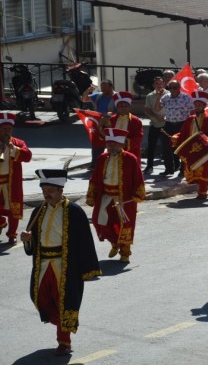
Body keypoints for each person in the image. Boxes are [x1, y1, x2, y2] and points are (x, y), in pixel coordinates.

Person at [21, 169, 100, 356]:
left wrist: (87, 270)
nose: (46, 194)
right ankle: (61, 322)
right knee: (40, 298)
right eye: (44, 191)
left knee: (64, 302)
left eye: (50, 190)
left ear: (60, 190)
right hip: (43, 265)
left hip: (65, 266)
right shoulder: (38, 211)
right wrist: (28, 239)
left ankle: (64, 341)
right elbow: (32, 243)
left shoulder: (74, 211)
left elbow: (85, 242)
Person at [86, 128, 145, 264]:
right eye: (109, 144)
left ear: (121, 144)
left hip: (123, 199)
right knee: (99, 221)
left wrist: (138, 194)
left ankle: (125, 252)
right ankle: (114, 242)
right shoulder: (102, 158)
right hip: (105, 196)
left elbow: (138, 177)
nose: (111, 146)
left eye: (114, 144)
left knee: (124, 225)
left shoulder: (130, 159)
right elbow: (95, 178)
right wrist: (91, 195)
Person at [176, 91, 208, 199]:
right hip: (191, 148)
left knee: (204, 169)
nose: (197, 107)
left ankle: (203, 191)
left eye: (199, 105)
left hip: (203, 149)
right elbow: (183, 133)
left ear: (204, 106)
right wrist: (176, 137)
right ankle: (199, 188)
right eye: (196, 105)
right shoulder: (190, 119)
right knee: (192, 167)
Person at [0, 112, 32, 243]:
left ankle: (12, 234)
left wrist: (14, 150)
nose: (7, 132)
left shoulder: (18, 142)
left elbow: (28, 156)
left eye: (9, 129)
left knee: (13, 209)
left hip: (11, 183)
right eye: (3, 129)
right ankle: (1, 223)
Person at [158, 80, 194, 176]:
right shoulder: (165, 97)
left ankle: (183, 169)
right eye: (170, 88)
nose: (173, 90)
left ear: (179, 88)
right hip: (169, 124)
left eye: (175, 87)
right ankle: (169, 169)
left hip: (182, 124)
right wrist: (158, 96)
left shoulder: (186, 98)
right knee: (166, 147)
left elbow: (193, 111)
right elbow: (158, 108)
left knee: (183, 147)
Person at [144, 77, 171, 175]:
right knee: (151, 146)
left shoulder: (169, 94)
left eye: (161, 83)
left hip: (167, 124)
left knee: (167, 147)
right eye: (156, 83)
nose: (159, 85)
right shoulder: (149, 96)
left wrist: (166, 117)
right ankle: (149, 166)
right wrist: (156, 116)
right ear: (153, 85)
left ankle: (169, 168)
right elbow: (147, 110)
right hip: (155, 124)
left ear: (164, 84)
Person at [108, 91, 144, 163]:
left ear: (129, 107)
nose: (123, 108)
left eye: (126, 106)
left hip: (131, 152)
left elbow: (139, 136)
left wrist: (126, 142)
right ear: (117, 107)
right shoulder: (111, 120)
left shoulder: (135, 120)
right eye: (121, 106)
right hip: (114, 151)